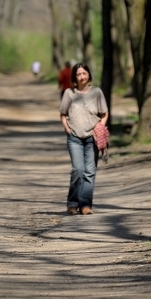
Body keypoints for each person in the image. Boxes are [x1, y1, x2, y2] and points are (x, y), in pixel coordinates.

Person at [59, 63, 108, 215]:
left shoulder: (97, 92)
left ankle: (85, 205)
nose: (82, 77)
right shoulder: (69, 93)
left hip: (91, 139)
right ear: (74, 77)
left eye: (84, 73)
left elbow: (104, 114)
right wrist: (67, 129)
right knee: (78, 170)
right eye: (78, 74)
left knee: (90, 172)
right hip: (74, 138)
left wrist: (99, 128)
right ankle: (72, 203)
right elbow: (63, 114)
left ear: (88, 75)